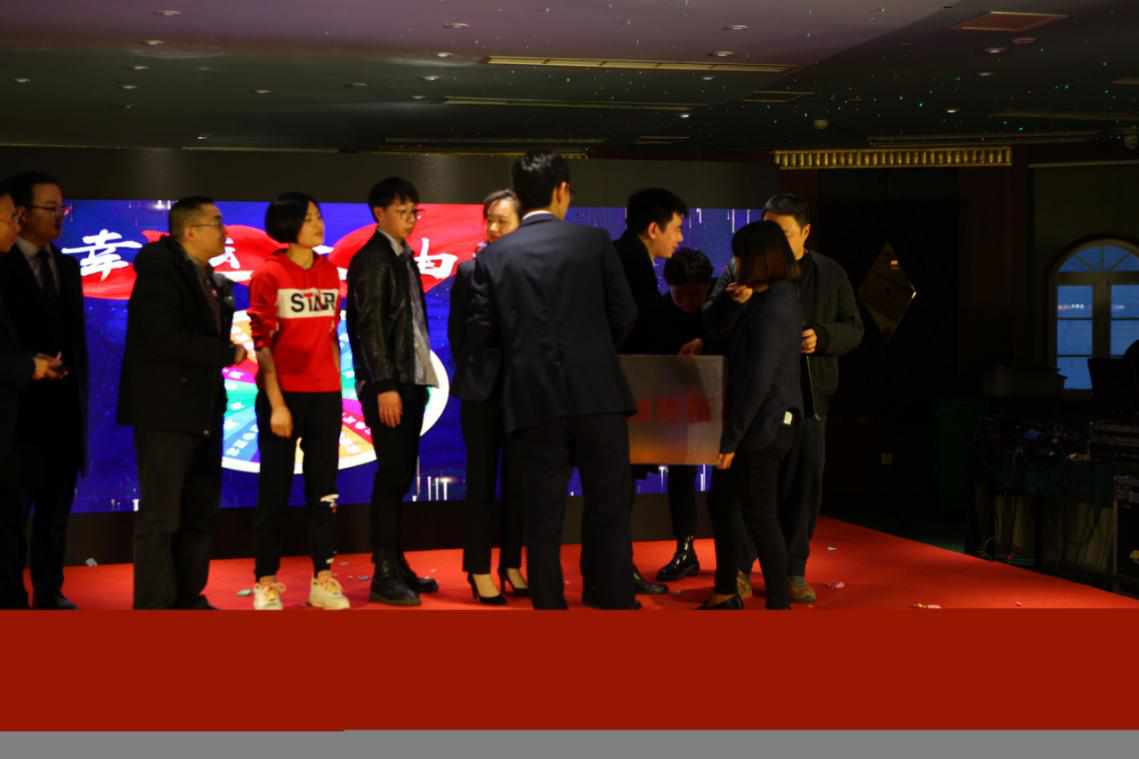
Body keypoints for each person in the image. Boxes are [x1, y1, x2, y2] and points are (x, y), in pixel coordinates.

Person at [465, 149, 639, 610]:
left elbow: (482, 333)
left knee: (542, 519)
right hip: (599, 395)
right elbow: (625, 314)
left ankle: (549, 608)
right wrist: (594, 352)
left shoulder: (494, 256)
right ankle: (616, 602)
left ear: (519, 195)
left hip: (532, 401)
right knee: (611, 511)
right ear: (562, 190)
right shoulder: (594, 242)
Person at [705, 194, 864, 603]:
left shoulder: (819, 278)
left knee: (790, 494)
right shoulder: (750, 282)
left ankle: (789, 577)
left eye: (782, 232)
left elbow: (852, 328)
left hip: (791, 407)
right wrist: (731, 304)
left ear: (804, 232)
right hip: (762, 411)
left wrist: (822, 337)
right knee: (743, 504)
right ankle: (735, 579)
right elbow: (715, 325)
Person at [117, 196, 246, 610]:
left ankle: (189, 595)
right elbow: (162, 338)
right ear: (189, 231)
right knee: (162, 515)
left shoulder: (212, 279)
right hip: (166, 411)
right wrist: (225, 353)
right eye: (216, 223)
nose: (224, 231)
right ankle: (155, 604)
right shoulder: (159, 272)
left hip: (204, 407)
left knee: (199, 510)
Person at [583, 187, 688, 600]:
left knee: (610, 492)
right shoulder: (631, 263)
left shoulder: (616, 254)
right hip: (618, 392)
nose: (680, 238)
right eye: (676, 228)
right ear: (653, 228)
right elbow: (638, 326)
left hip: (607, 390)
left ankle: (602, 576)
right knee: (615, 493)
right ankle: (612, 578)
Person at [247, 193, 348, 611]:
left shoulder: (330, 271)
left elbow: (331, 334)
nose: (318, 224)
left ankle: (323, 578)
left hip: (326, 395)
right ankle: (265, 581)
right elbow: (262, 344)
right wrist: (277, 404)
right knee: (273, 491)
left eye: (319, 216)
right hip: (284, 396)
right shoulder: (268, 274)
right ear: (288, 225)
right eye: (309, 219)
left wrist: (337, 390)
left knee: (324, 492)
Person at [346, 176, 440, 606]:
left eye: (413, 211)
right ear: (378, 213)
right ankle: (384, 571)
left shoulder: (402, 256)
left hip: (408, 380)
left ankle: (395, 563)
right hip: (390, 384)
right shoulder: (373, 258)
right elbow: (368, 326)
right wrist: (384, 385)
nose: (410, 219)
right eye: (402, 211)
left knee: (400, 474)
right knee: (391, 476)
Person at [702, 221, 802, 610]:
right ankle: (726, 590)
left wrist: (731, 440)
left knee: (759, 517)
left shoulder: (775, 305)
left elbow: (758, 382)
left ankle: (777, 603)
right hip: (758, 424)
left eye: (741, 256)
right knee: (723, 502)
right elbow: (727, 333)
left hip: (764, 427)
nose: (736, 263)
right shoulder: (767, 298)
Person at [0, 171, 88, 610]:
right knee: (11, 517)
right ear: (20, 212)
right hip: (15, 412)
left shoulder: (67, 266)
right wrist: (26, 367)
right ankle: (10, 597)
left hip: (62, 411)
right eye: (49, 209)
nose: (59, 217)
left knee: (55, 513)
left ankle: (50, 591)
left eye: (61, 208)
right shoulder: (2, 262)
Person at [449, 189, 526, 605]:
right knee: (480, 484)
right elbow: (457, 337)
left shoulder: (534, 269)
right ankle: (478, 569)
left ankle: (512, 564)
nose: (494, 228)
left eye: (503, 221)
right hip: (481, 393)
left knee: (519, 485)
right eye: (490, 220)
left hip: (524, 393)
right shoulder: (468, 271)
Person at [652, 247, 714, 582]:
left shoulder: (724, 304)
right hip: (680, 404)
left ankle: (739, 554)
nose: (687, 302)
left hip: (726, 401)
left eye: (694, 294)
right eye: (679, 295)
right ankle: (685, 549)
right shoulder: (661, 311)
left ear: (708, 286)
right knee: (680, 476)